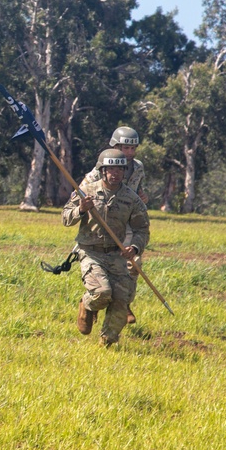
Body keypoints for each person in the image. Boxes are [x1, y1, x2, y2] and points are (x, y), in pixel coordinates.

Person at [64, 148, 150, 348]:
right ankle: (87, 304)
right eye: (110, 169)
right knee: (102, 293)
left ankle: (107, 343)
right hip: (90, 252)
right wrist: (80, 209)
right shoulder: (86, 192)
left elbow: (142, 229)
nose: (115, 174)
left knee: (122, 299)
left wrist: (135, 248)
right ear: (102, 170)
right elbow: (65, 217)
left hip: (116, 254)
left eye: (120, 170)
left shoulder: (131, 199)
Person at [81, 126, 148, 324]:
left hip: (128, 220)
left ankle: (125, 302)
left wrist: (144, 197)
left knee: (134, 262)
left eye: (132, 148)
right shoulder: (99, 169)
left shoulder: (138, 167)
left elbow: (139, 190)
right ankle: (92, 303)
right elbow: (81, 192)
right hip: (103, 224)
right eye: (125, 148)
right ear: (115, 146)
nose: (129, 153)